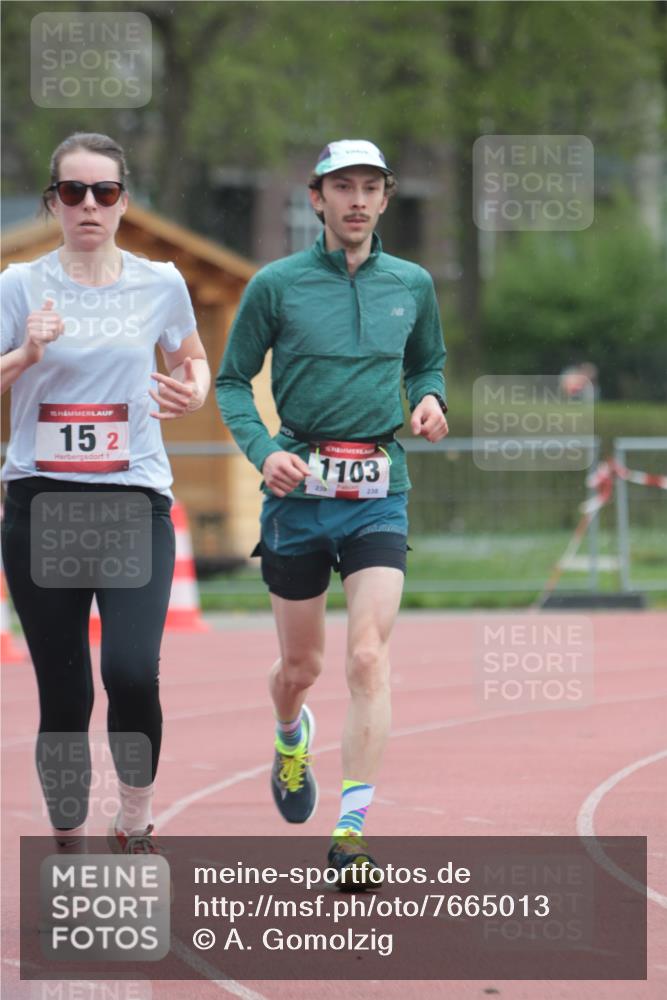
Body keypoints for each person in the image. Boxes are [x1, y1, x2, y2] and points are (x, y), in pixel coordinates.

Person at [216, 139, 448, 886]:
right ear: (316, 199)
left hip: (379, 490)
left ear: (385, 198)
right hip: (298, 495)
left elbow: (427, 361)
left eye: (370, 187)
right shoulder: (276, 286)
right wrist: (263, 451)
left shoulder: (411, 282)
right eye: (342, 187)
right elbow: (231, 381)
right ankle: (291, 734)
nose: (357, 200)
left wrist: (430, 397)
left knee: (367, 657)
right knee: (302, 667)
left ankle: (350, 832)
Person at [0, 132, 210, 855]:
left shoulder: (161, 283)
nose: (89, 204)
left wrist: (192, 391)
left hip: (132, 502)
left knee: (130, 670)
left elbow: (191, 358)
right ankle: (67, 838)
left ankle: (135, 815)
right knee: (65, 693)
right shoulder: (18, 285)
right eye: (73, 191)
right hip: (42, 505)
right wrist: (26, 353)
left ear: (124, 202)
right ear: (53, 202)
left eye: (105, 191)